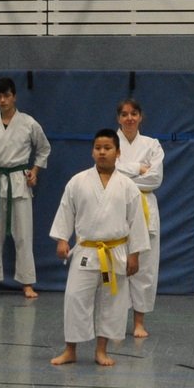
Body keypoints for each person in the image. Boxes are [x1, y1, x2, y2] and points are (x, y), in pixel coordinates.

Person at [49, 129, 150, 366]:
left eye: (107, 148)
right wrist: (62, 239)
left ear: (118, 153)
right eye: (98, 148)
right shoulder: (78, 181)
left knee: (111, 302)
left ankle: (101, 350)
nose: (102, 152)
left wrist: (134, 254)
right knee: (75, 298)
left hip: (115, 252)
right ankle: (70, 350)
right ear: (92, 151)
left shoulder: (128, 186)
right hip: (85, 250)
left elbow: (136, 222)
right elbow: (66, 210)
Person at [0, 77, 51, 299]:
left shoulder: (28, 123)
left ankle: (27, 283)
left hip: (19, 181)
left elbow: (44, 148)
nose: (3, 100)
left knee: (23, 235)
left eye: (6, 96)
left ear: (14, 96)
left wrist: (35, 170)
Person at [115, 99, 165, 338]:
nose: (129, 118)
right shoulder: (111, 142)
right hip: (117, 207)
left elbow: (155, 179)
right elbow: (108, 172)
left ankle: (139, 322)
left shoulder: (152, 144)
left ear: (140, 117)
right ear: (118, 118)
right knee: (117, 265)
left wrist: (124, 174)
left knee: (144, 267)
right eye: (124, 114)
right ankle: (114, 321)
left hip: (145, 208)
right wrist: (139, 167)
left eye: (134, 114)